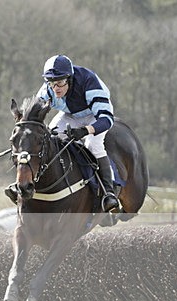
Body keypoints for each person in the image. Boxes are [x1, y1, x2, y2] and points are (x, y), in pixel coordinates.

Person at [11, 54, 119, 212]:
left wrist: (85, 130)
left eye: (60, 83)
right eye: (52, 84)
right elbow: (35, 115)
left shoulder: (89, 82)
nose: (56, 88)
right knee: (52, 138)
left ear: (70, 78)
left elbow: (107, 119)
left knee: (93, 144)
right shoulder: (48, 88)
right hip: (69, 115)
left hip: (94, 115)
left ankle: (108, 192)